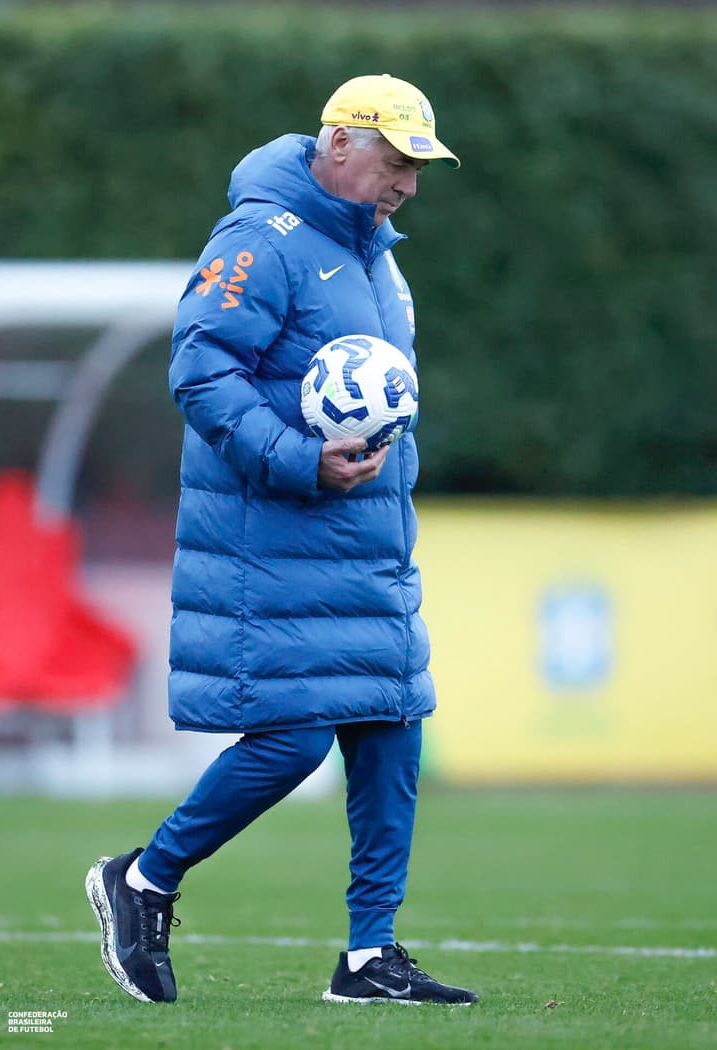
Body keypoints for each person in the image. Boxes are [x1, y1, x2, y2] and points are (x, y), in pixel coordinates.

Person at [85, 73, 478, 1007]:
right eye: (396, 161)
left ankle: (368, 957)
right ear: (340, 143)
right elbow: (199, 368)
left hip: (369, 542)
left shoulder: (379, 255)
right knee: (293, 739)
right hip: (278, 537)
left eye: (419, 167)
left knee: (391, 730)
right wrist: (302, 461)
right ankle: (140, 879)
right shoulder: (261, 240)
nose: (408, 185)